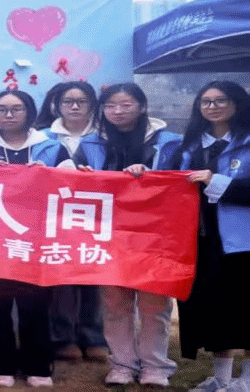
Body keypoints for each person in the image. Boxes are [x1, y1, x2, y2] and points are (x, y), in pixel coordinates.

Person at [75, 83, 180, 387]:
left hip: (155, 234)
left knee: (154, 303)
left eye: (125, 105)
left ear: (142, 106)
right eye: (110, 106)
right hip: (108, 233)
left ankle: (155, 366)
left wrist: (150, 175)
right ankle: (121, 364)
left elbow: (183, 181)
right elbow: (71, 180)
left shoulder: (170, 142)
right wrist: (81, 175)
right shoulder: (90, 142)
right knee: (114, 302)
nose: (117, 111)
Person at [157, 81, 250, 392]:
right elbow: (166, 184)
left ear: (237, 103)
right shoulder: (186, 147)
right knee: (214, 310)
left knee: (245, 309)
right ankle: (221, 378)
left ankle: (246, 380)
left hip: (243, 241)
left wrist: (216, 180)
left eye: (220, 100)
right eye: (206, 101)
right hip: (200, 240)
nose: (213, 107)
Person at [0, 90, 64, 388]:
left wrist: (49, 175)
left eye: (16, 109)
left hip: (37, 238)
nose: (9, 115)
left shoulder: (52, 147)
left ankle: (38, 365)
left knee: (35, 303)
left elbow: (72, 186)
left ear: (30, 112)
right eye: (2, 109)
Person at [39, 82, 108, 363]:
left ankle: (93, 335)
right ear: (56, 106)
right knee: (61, 276)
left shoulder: (106, 136)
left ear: (92, 105)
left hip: (98, 215)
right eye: (68, 101)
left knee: (95, 275)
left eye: (82, 101)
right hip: (54, 216)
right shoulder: (42, 138)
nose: (75, 106)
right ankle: (63, 336)